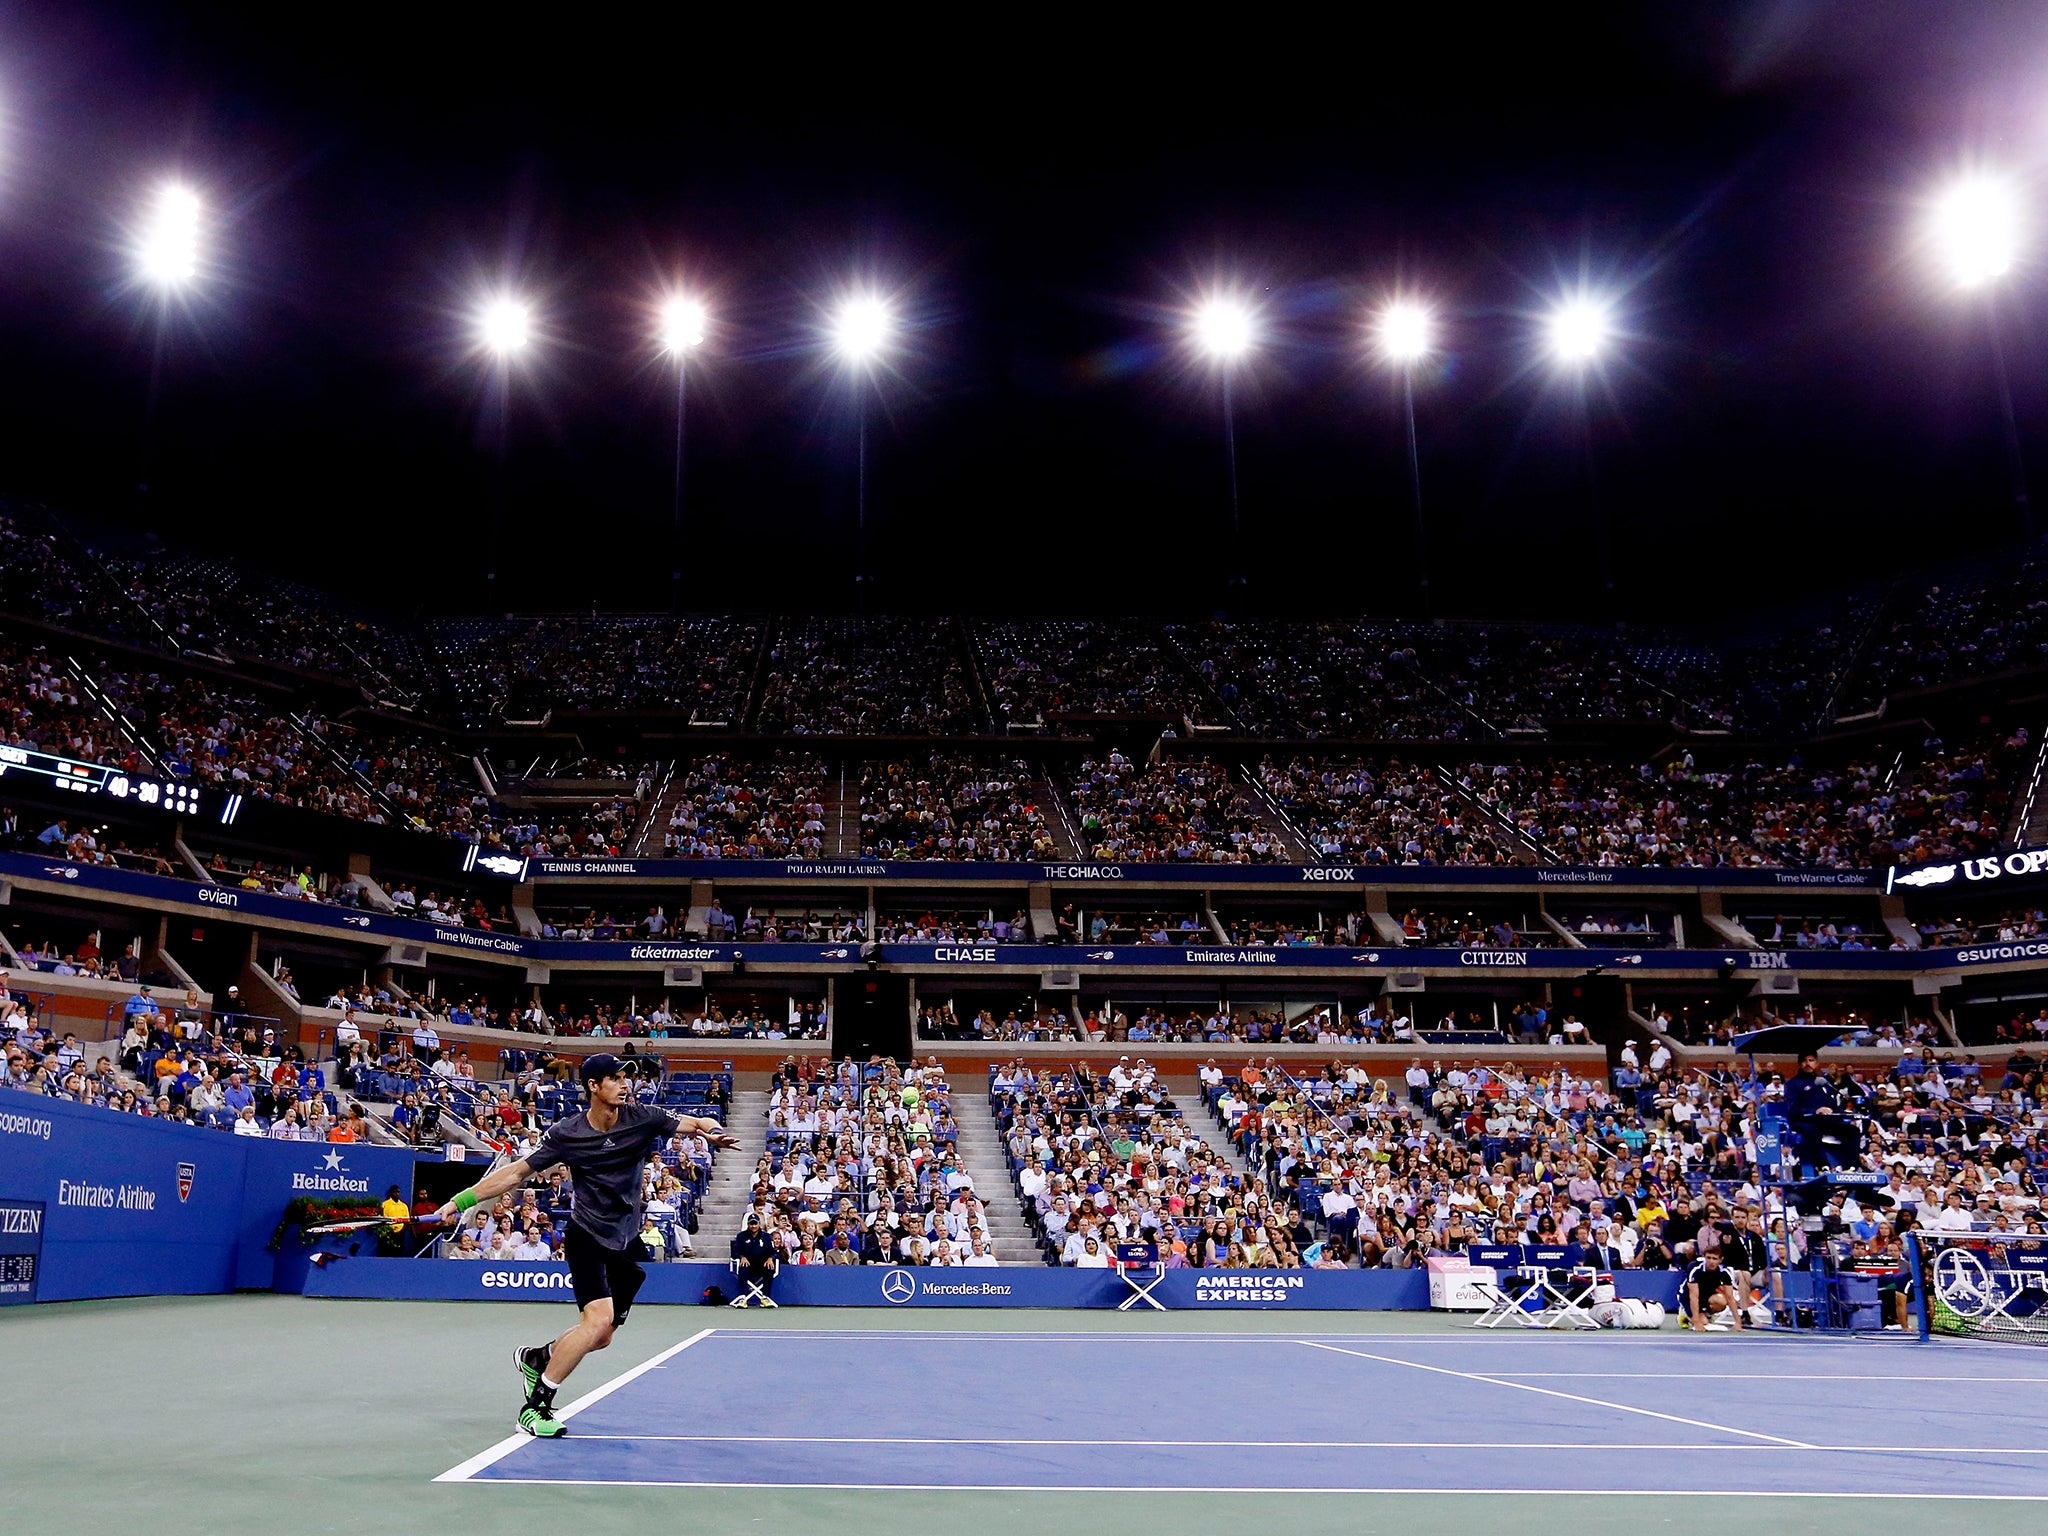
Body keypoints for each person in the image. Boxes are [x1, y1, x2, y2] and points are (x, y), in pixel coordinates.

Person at [432, 1053, 740, 1438]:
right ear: (593, 1086)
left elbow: (695, 1123)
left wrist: (711, 1130)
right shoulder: (568, 1133)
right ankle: (534, 1408)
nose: (624, 1084)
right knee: (594, 1323)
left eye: (625, 1078)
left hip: (625, 1239)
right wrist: (459, 1202)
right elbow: (514, 1173)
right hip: (587, 1236)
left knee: (603, 1336)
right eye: (614, 1078)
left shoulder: (643, 1118)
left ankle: (538, 1358)